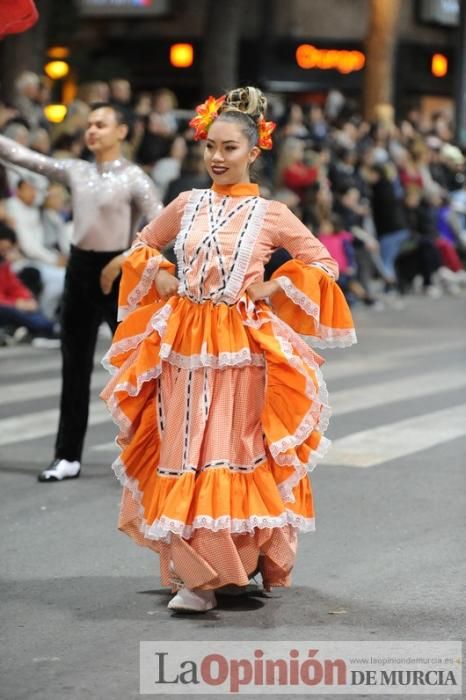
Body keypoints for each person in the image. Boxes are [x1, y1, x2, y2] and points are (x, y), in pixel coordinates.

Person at [100, 86, 356, 613]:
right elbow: (144, 244)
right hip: (181, 345)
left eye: (229, 149)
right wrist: (162, 275)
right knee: (183, 451)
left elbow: (323, 263)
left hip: (241, 349)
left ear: (254, 153)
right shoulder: (186, 204)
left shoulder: (273, 214)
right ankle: (196, 571)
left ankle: (226, 572)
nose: (216, 158)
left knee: (230, 452)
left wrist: (274, 286)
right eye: (210, 147)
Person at [0, 102, 162, 481]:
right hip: (79, 270)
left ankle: (150, 454)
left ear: (122, 131)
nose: (92, 131)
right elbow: (19, 155)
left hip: (117, 275)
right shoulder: (76, 170)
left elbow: (162, 226)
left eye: (101, 124)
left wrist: (123, 259)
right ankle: (67, 456)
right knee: (73, 368)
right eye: (89, 124)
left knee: (135, 372)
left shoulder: (134, 178)